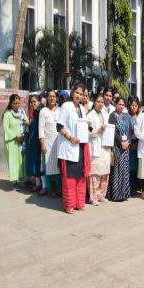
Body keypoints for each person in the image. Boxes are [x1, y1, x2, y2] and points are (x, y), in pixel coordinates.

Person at [56, 83, 91, 214]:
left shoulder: (82, 108)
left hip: (80, 148)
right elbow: (59, 127)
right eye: (77, 92)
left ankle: (79, 203)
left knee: (80, 176)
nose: (79, 95)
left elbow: (83, 126)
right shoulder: (66, 106)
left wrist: (89, 124)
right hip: (69, 146)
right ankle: (69, 205)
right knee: (69, 178)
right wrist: (70, 137)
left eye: (81, 94)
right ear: (72, 93)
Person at [106, 97, 132, 202]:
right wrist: (121, 143)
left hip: (126, 147)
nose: (121, 106)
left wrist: (128, 142)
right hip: (117, 146)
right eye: (119, 104)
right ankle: (116, 194)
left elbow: (130, 130)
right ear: (115, 104)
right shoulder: (112, 116)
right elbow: (113, 133)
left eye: (123, 104)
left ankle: (124, 193)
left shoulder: (126, 116)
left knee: (125, 170)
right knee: (117, 170)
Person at [87, 94, 111, 206]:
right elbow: (87, 132)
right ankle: (93, 197)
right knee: (95, 173)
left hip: (105, 147)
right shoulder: (89, 116)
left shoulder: (105, 114)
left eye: (102, 102)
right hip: (95, 147)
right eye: (98, 101)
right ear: (94, 102)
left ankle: (101, 195)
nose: (100, 104)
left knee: (104, 172)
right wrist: (98, 130)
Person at [38, 89, 61, 196]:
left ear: (56, 98)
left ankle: (58, 188)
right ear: (47, 98)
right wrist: (42, 143)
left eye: (54, 96)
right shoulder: (43, 111)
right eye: (50, 96)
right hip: (47, 143)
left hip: (59, 143)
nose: (52, 98)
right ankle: (50, 189)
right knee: (48, 166)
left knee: (58, 166)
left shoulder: (60, 110)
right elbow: (41, 129)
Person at [3, 94, 27, 190]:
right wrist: (15, 136)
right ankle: (14, 181)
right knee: (13, 161)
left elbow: (27, 121)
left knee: (21, 160)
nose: (17, 105)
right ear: (11, 103)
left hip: (22, 140)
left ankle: (21, 178)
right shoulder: (7, 114)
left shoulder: (22, 113)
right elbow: (6, 128)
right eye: (14, 103)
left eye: (18, 103)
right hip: (12, 141)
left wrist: (25, 134)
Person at [26, 94, 44, 193]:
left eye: (34, 102)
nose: (33, 104)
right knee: (36, 161)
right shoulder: (35, 112)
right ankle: (38, 183)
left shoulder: (41, 111)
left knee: (39, 162)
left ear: (39, 101)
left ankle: (41, 185)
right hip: (34, 140)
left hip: (39, 140)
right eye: (31, 102)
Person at [128, 97, 140, 196]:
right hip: (130, 145)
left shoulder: (140, 117)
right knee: (131, 167)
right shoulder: (126, 117)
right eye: (132, 105)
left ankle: (136, 187)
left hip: (139, 145)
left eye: (135, 105)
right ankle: (130, 188)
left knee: (137, 167)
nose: (134, 107)